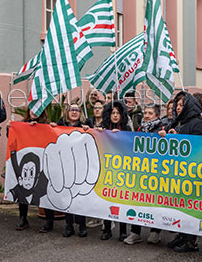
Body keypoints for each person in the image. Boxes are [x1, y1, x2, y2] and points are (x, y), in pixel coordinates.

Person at [161, 92, 202, 251]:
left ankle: (190, 241)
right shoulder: (176, 122)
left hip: (190, 172)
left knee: (190, 206)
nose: (178, 108)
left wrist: (179, 137)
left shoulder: (197, 124)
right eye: (177, 105)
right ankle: (181, 235)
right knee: (179, 206)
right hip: (176, 172)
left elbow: (199, 147)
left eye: (182, 105)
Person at [43, 104, 89, 237]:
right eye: (72, 110)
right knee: (67, 197)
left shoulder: (86, 125)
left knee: (80, 199)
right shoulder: (61, 124)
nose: (74, 112)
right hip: (64, 166)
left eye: (77, 110)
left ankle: (82, 226)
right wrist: (52, 127)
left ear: (80, 113)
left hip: (80, 167)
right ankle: (69, 226)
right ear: (67, 112)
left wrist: (88, 130)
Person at [99, 101, 137, 242]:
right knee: (106, 201)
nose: (115, 116)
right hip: (106, 171)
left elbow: (132, 147)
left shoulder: (127, 129)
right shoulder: (103, 129)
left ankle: (122, 231)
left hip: (122, 172)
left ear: (122, 115)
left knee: (122, 202)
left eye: (118, 113)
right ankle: (107, 229)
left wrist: (121, 136)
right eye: (113, 113)